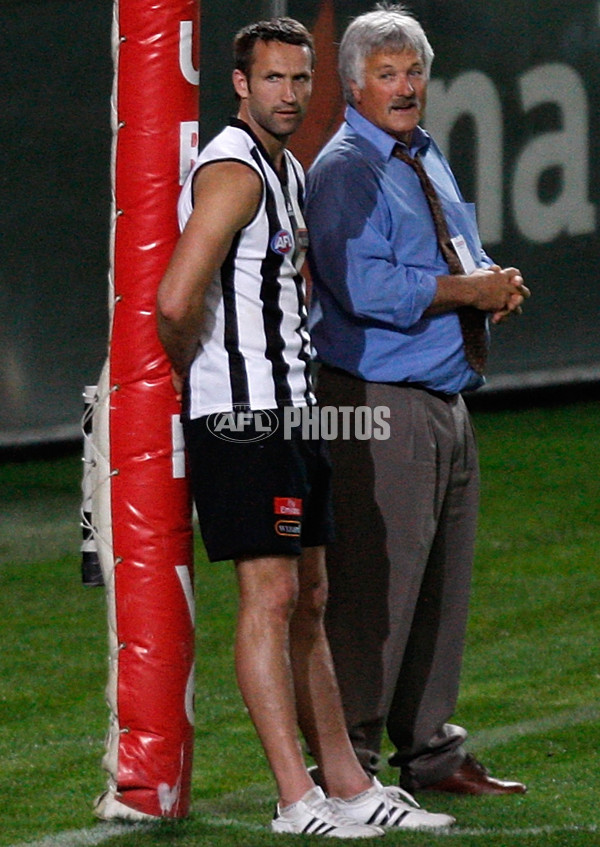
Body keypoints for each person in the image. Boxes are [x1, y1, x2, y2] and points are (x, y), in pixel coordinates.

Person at [157, 16, 454, 836]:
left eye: (300, 79)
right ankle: (296, 799)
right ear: (240, 85)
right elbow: (177, 299)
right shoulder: (234, 170)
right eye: (273, 80)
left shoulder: (282, 166)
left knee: (311, 597)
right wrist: (202, 375)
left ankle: (350, 786)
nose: (289, 95)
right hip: (247, 416)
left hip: (295, 409)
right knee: (272, 597)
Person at [305, 4, 530, 796]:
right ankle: (350, 765)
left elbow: (449, 252)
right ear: (353, 86)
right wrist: (467, 288)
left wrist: (491, 282)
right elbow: (362, 285)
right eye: (386, 75)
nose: (405, 88)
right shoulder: (344, 169)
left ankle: (430, 751)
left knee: (441, 587)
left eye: (413, 73)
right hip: (378, 398)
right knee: (376, 590)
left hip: (443, 397)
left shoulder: (422, 153)